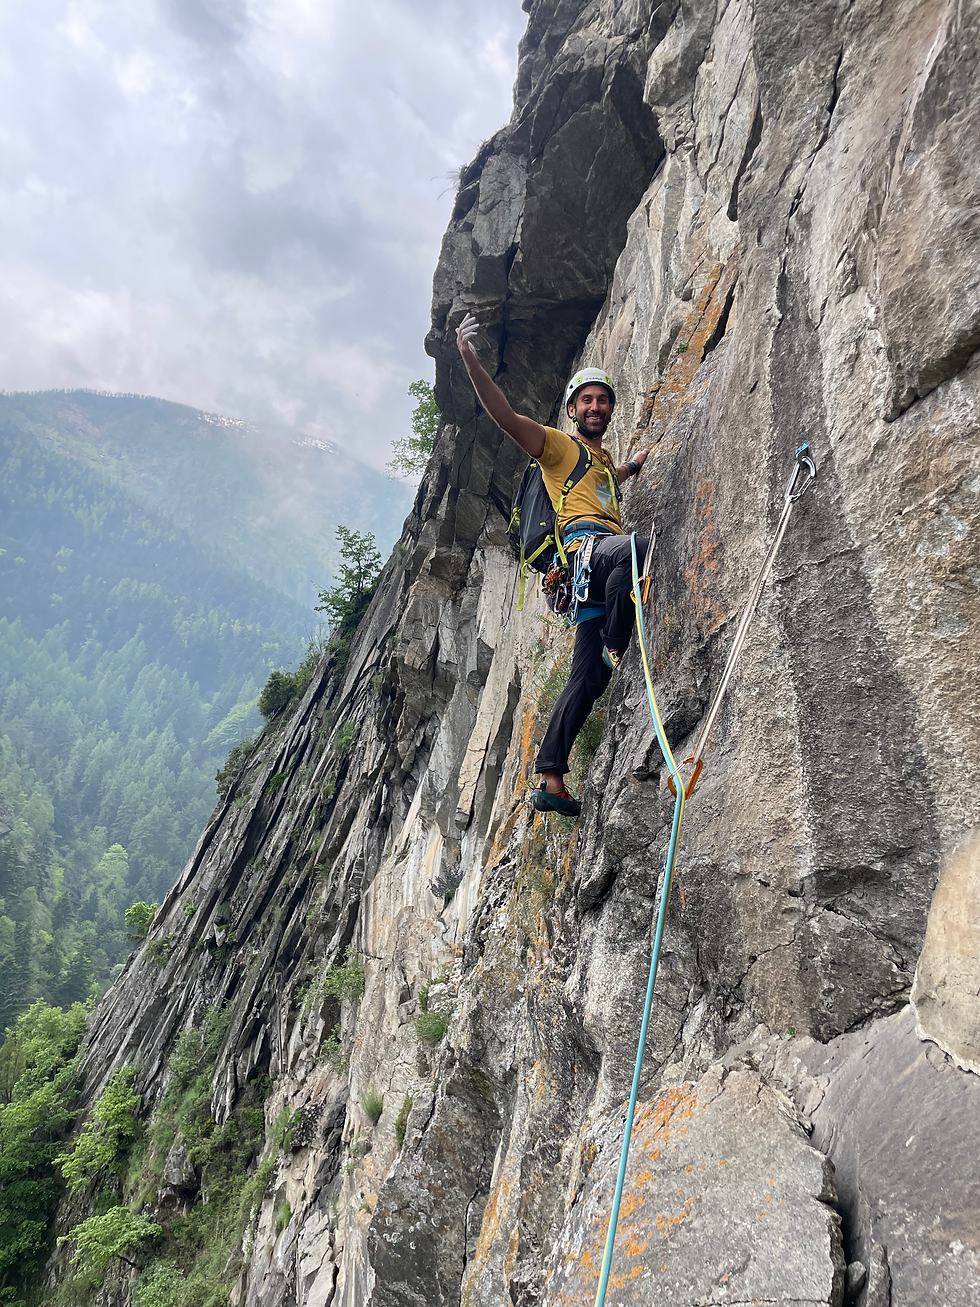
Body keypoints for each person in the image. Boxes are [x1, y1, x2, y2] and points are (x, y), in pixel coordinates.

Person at [455, 312, 648, 816]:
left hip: (591, 576)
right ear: (572, 410)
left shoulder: (601, 461)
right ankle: (616, 644)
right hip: (588, 556)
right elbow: (506, 418)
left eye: (602, 400)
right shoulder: (557, 447)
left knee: (587, 679)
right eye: (587, 400)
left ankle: (550, 777)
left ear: (610, 410)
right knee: (633, 549)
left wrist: (633, 465)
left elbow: (610, 478)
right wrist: (471, 361)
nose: (595, 406)